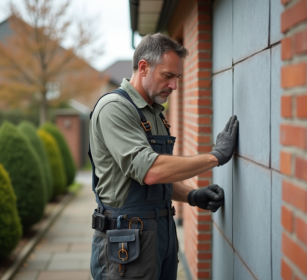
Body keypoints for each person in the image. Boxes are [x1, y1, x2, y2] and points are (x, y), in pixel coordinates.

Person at [89, 33, 238, 280]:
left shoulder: (154, 114)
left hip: (161, 233)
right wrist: (215, 156)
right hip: (127, 240)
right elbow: (151, 171)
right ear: (144, 67)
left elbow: (159, 179)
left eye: (177, 77)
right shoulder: (114, 108)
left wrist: (191, 195)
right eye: (168, 76)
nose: (174, 86)